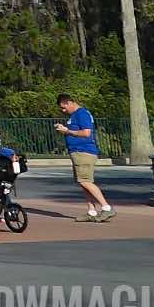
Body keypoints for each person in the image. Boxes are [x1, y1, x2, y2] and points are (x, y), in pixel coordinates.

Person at [54, 92, 113, 221]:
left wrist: (67, 131)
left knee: (86, 181)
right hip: (76, 152)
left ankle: (106, 207)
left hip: (84, 152)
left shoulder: (82, 114)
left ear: (68, 102)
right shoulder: (74, 116)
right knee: (82, 182)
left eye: (63, 108)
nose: (63, 111)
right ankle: (91, 211)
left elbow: (86, 133)